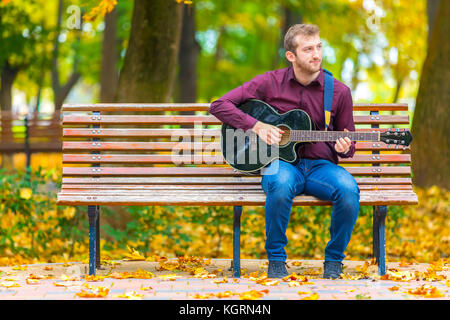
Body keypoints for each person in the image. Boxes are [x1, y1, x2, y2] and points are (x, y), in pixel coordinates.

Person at [209, 24, 360, 279]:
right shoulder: (270, 83)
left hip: (320, 167)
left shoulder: (339, 92)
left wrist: (344, 147)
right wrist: (256, 126)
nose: (317, 55)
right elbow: (219, 105)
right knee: (279, 184)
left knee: (348, 190)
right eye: (308, 49)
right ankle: (276, 260)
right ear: (291, 55)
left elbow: (349, 143)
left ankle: (334, 261)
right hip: (280, 162)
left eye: (319, 47)